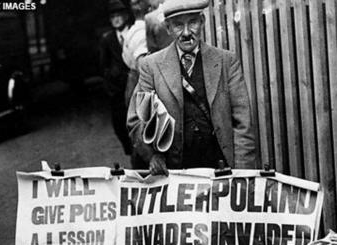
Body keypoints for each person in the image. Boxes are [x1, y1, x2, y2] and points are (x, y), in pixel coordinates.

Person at [127, 0, 256, 175]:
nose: (186, 33)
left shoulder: (226, 62)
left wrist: (242, 174)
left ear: (202, 22)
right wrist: (152, 156)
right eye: (178, 25)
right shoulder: (151, 66)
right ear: (168, 28)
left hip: (221, 168)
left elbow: (243, 124)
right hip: (175, 173)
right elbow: (136, 121)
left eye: (193, 23)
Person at [99, 0, 135, 155]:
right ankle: (130, 149)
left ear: (126, 16)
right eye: (113, 16)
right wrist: (111, 85)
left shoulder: (135, 32)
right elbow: (103, 66)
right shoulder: (107, 39)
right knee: (120, 123)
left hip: (135, 84)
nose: (116, 19)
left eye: (119, 15)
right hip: (118, 90)